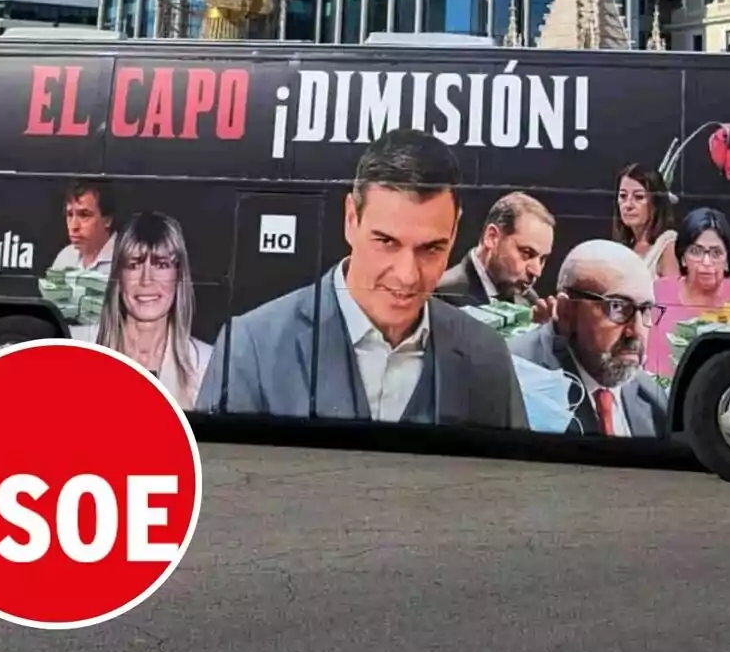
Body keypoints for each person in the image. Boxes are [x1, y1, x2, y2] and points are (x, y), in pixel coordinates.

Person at [195, 127, 529, 430]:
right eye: (386, 241)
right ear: (351, 219)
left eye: (431, 248)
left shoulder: (487, 358)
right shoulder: (249, 348)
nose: (407, 275)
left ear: (455, 232)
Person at [507, 239, 669, 439]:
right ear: (566, 311)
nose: (635, 331)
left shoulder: (651, 396)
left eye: (645, 310)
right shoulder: (513, 380)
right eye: (617, 307)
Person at [80, 211, 212, 408]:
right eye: (134, 265)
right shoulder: (79, 349)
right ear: (119, 277)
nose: (146, 280)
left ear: (178, 276)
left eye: (161, 265)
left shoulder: (206, 363)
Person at [645, 207, 730, 379]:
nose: (706, 262)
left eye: (716, 253)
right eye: (696, 252)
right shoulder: (657, 294)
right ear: (682, 258)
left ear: (727, 260)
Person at [436, 191, 556, 307]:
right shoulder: (441, 296)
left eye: (542, 259)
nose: (537, 271)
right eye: (527, 253)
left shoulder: (530, 300)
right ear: (492, 237)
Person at [612, 163, 680, 279]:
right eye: (623, 196)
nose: (628, 205)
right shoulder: (624, 246)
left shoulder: (667, 244)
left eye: (638, 197)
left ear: (655, 203)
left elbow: (671, 296)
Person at [49, 179, 116, 274]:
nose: (74, 226)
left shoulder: (128, 260)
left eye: (84, 215)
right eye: (70, 214)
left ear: (107, 220)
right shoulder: (65, 257)